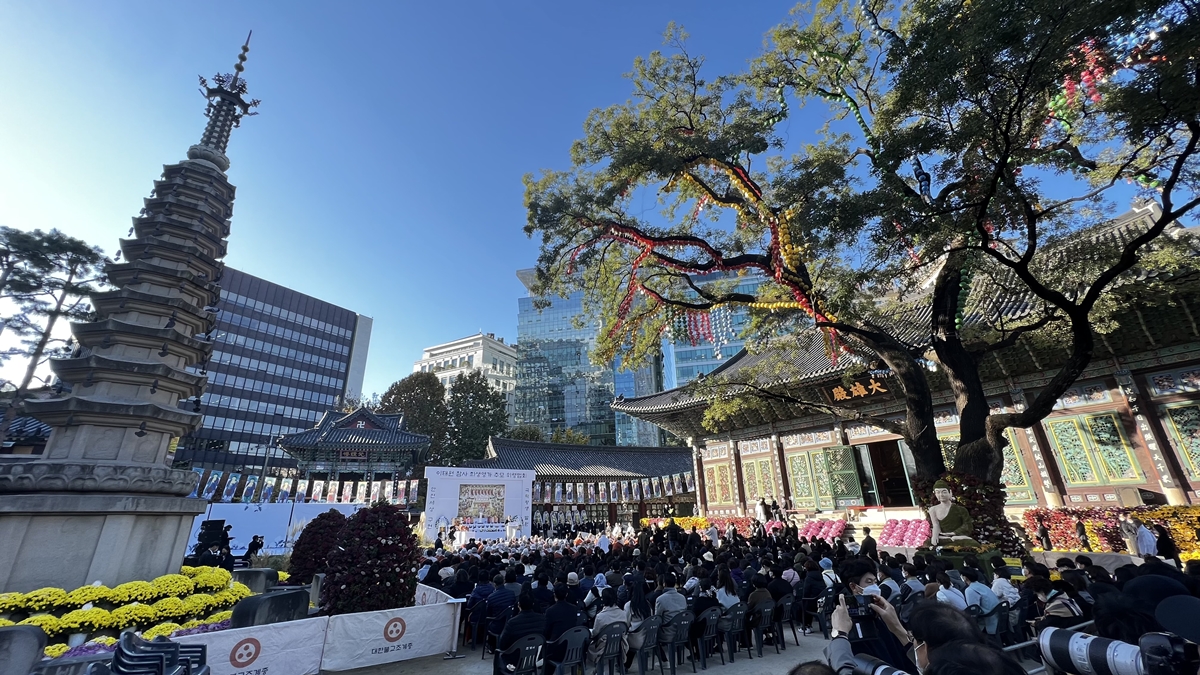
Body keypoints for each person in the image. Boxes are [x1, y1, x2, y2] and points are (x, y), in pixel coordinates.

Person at [494, 593, 545, 675]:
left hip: (514, 661)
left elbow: (502, 645)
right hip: (536, 658)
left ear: (519, 605)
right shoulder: (542, 619)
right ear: (532, 604)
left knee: (499, 655)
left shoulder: (512, 622)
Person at [588, 587, 628, 665]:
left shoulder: (600, 616)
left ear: (603, 599)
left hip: (603, 648)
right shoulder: (623, 613)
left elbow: (594, 634)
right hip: (620, 646)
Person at [544, 584, 585, 660]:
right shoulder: (574, 608)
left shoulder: (550, 611)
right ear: (566, 594)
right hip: (572, 644)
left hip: (556, 647)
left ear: (554, 595)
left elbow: (547, 631)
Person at [962, 568, 1001, 635]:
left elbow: (973, 611)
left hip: (988, 622)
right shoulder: (982, 586)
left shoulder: (970, 590)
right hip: (998, 619)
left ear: (965, 577)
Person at [654, 573, 687, 643]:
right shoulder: (682, 597)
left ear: (664, 584)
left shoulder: (660, 599)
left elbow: (657, 618)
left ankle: (661, 654)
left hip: (667, 633)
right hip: (683, 631)